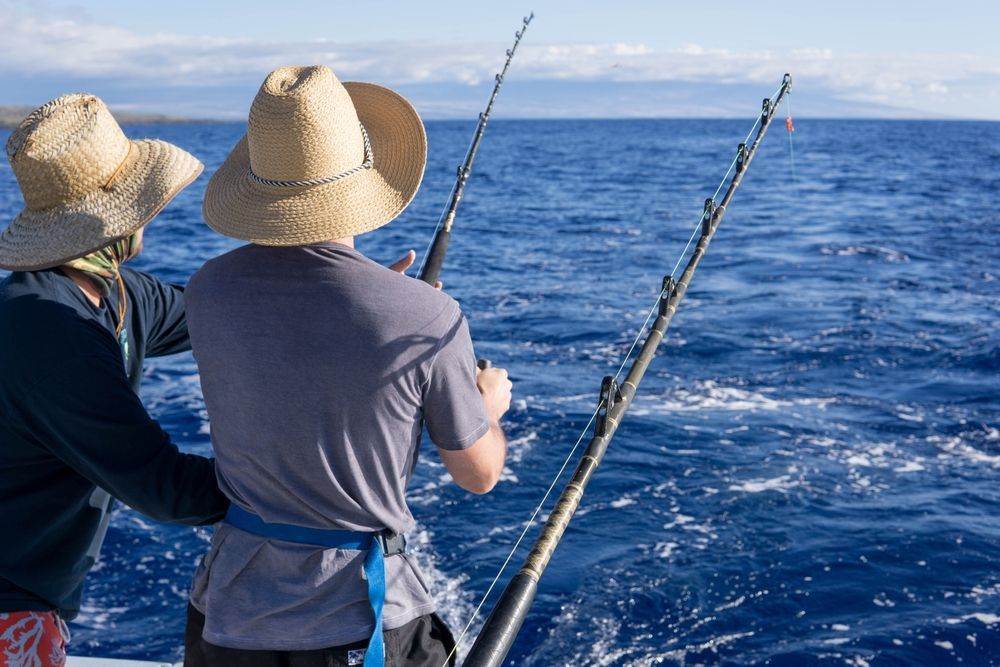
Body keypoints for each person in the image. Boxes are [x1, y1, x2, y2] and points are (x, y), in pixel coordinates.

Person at [182, 65, 512, 667]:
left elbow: (288, 344)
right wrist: (485, 405)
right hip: (357, 627)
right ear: (362, 176)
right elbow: (478, 474)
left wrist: (362, 310)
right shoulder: (428, 317)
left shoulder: (207, 290)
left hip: (230, 618)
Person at [0, 94, 230, 665]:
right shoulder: (48, 332)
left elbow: (224, 317)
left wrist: (361, 302)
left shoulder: (116, 291)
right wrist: (296, 488)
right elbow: (164, 486)